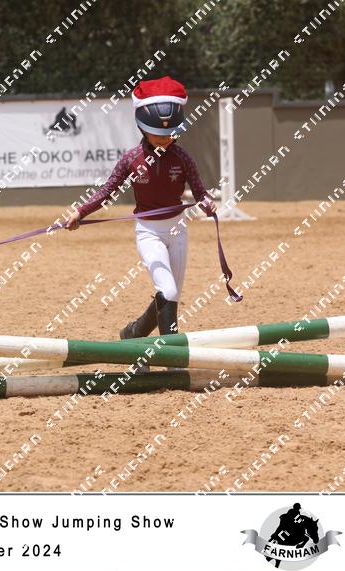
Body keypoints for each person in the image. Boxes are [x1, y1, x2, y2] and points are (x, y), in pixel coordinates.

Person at [65, 76, 215, 362]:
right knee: (167, 290)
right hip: (148, 232)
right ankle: (173, 359)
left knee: (170, 296)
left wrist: (207, 203)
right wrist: (80, 212)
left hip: (178, 230)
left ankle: (133, 333)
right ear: (143, 129)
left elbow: (199, 191)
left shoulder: (183, 158)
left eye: (170, 133)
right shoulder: (131, 159)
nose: (166, 138)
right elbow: (107, 191)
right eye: (159, 134)